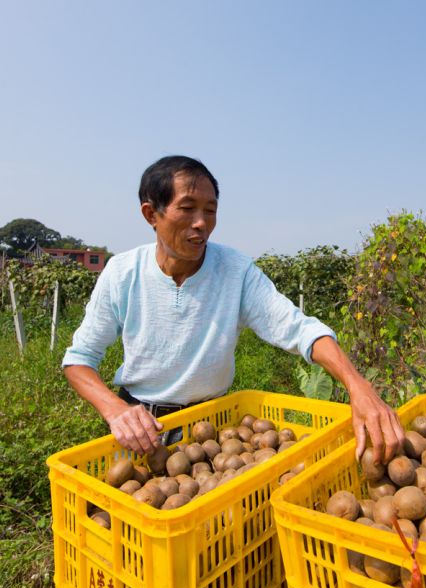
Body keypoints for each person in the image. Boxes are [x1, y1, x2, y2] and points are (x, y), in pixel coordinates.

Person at [62, 155, 404, 464]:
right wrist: (116, 410)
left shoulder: (235, 270)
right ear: (152, 214)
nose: (201, 223)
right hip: (140, 429)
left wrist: (359, 386)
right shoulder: (123, 272)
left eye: (210, 211)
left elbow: (299, 329)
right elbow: (79, 360)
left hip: (214, 434)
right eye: (187, 208)